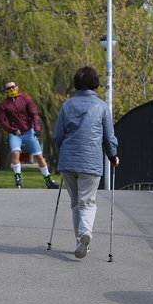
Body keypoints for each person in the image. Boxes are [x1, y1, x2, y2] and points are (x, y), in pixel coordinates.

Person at [52, 66, 119, 259]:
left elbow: (57, 136)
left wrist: (62, 153)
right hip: (91, 161)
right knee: (87, 202)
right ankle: (85, 233)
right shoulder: (102, 106)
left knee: (75, 203)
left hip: (68, 161)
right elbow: (108, 137)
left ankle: (80, 241)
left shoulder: (67, 105)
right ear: (95, 83)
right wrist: (112, 156)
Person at [0, 80, 60, 189]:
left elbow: (34, 114)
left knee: (39, 156)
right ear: (6, 90)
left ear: (17, 87)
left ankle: (48, 179)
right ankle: (18, 177)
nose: (11, 89)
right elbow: (2, 121)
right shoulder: (4, 104)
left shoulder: (26, 99)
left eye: (13, 87)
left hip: (28, 131)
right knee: (16, 153)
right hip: (15, 133)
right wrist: (11, 129)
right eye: (8, 88)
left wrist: (37, 129)